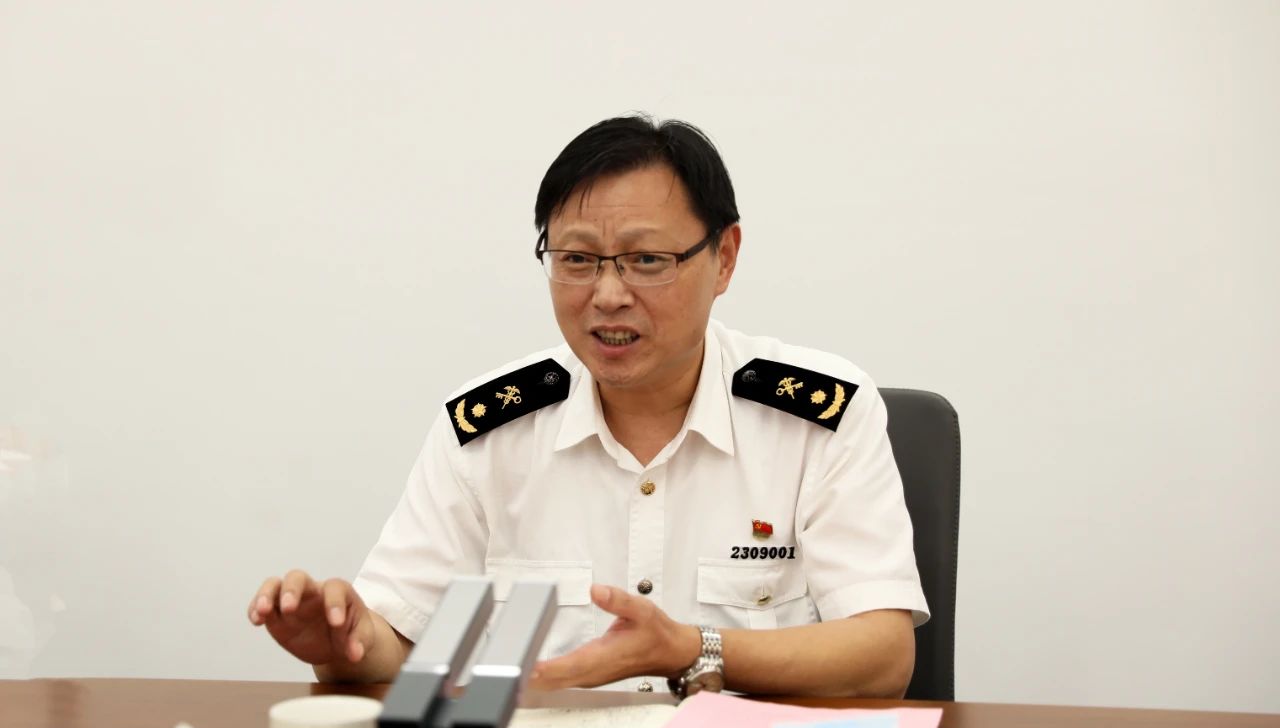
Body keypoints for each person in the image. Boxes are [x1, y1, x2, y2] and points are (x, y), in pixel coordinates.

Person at [247, 115, 929, 698]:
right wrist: (342, 641)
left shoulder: (820, 416)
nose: (607, 295)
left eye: (645, 260)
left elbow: (883, 656)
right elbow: (399, 638)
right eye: (577, 259)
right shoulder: (487, 429)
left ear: (724, 257)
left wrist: (691, 648)